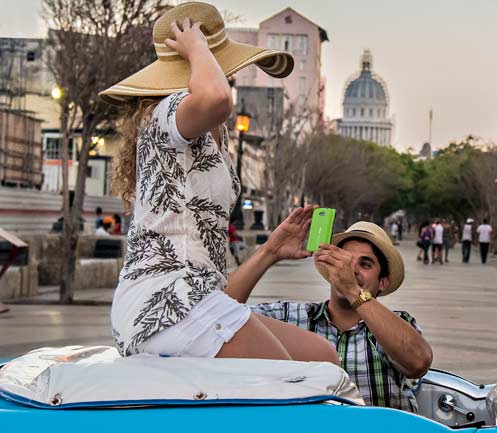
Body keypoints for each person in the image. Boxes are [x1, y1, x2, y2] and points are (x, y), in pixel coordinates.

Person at [101, 3, 337, 363]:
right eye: (225, 71)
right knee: (290, 378)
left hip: (193, 296)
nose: (229, 80)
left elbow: (213, 285)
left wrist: (271, 250)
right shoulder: (167, 112)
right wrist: (197, 46)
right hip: (164, 302)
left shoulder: (214, 139)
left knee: (322, 357)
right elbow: (215, 99)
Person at [247, 222, 433, 410]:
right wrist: (269, 252)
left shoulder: (397, 325)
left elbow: (418, 362)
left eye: (365, 264)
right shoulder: (291, 317)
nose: (351, 270)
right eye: (345, 262)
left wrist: (353, 290)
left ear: (382, 282)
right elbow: (221, 313)